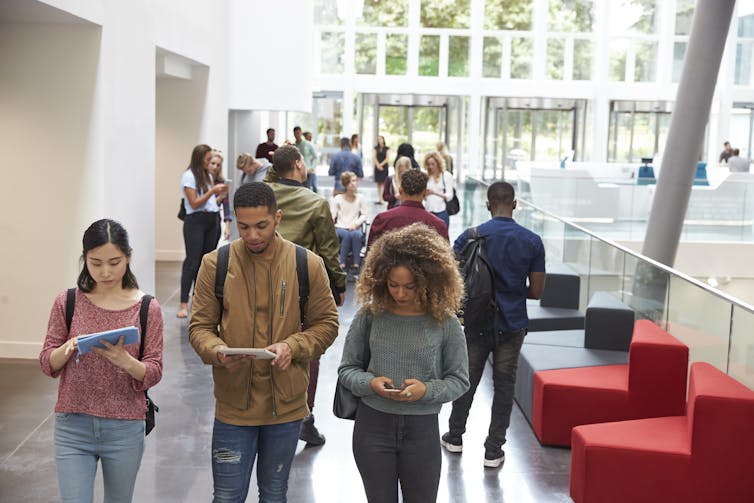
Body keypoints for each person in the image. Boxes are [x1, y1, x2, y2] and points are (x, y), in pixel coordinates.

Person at [189, 182, 339, 503]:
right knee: (227, 496)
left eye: (261, 226)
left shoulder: (307, 264)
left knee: (274, 495)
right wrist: (217, 351)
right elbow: (200, 327)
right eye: (243, 227)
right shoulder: (215, 264)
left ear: (278, 217)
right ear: (234, 220)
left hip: (284, 409)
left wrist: (293, 346)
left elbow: (326, 325)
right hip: (233, 407)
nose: (253, 235)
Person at [338, 223, 470, 503]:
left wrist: (427, 390)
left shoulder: (444, 322)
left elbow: (459, 380)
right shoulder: (369, 315)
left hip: (422, 431)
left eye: (410, 286)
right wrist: (370, 383)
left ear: (428, 280)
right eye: (393, 285)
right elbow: (347, 370)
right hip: (372, 427)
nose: (400, 293)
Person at [39, 219, 164, 503]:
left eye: (114, 262)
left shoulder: (147, 308)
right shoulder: (67, 301)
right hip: (73, 425)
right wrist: (69, 348)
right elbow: (47, 362)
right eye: (95, 263)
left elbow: (154, 369)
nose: (105, 272)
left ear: (128, 257)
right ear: (85, 260)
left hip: (125, 427)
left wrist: (125, 361)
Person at [441, 181, 546, 469]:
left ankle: (455, 436)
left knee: (467, 379)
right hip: (512, 324)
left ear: (488, 204)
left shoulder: (469, 237)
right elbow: (537, 291)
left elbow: (450, 279)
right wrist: (511, 290)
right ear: (514, 204)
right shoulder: (532, 241)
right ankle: (493, 449)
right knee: (504, 385)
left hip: (476, 322)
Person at [266, 144, 347, 446]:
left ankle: (268, 414)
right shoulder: (315, 202)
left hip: (259, 282)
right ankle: (303, 416)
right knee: (306, 350)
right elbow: (327, 250)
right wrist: (338, 285)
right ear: (299, 165)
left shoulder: (262, 194)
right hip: (301, 287)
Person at [178, 144, 228, 318]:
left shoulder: (206, 175)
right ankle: (183, 303)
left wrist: (220, 197)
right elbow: (194, 203)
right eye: (207, 159)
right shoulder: (189, 176)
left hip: (212, 220)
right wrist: (213, 190)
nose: (210, 163)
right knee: (192, 262)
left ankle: (198, 301)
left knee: (206, 263)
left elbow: (210, 203)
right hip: (195, 222)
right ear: (199, 159)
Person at [367, 169, 448, 251]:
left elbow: (369, 256)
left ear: (400, 190)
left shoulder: (382, 220)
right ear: (425, 193)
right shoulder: (438, 225)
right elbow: (446, 259)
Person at [331, 171, 367, 276]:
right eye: (351, 181)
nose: (354, 184)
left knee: (356, 235)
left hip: (354, 226)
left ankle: (356, 264)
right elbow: (333, 214)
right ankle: (342, 263)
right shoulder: (338, 199)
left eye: (355, 181)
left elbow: (364, 215)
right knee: (346, 235)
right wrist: (331, 219)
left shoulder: (360, 198)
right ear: (346, 184)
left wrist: (356, 224)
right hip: (340, 227)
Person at [423, 151, 455, 228]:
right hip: (428, 211)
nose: (430, 167)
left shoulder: (446, 176)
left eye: (433, 164)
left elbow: (449, 196)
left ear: (438, 163)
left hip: (442, 212)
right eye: (428, 164)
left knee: (442, 238)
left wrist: (434, 193)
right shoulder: (426, 176)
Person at [208, 150, 232, 242]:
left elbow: (226, 206)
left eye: (218, 165)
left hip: (215, 222)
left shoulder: (221, 183)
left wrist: (227, 227)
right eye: (213, 163)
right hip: (200, 221)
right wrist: (219, 198)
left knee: (210, 254)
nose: (215, 167)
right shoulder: (201, 182)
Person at [293, 126, 319, 193]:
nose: (297, 135)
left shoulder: (308, 144)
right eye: (295, 133)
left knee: (307, 190)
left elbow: (315, 157)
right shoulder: (293, 145)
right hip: (297, 172)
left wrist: (312, 167)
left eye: (298, 133)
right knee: (298, 191)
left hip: (307, 171)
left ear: (301, 133)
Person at [373, 135, 390, 204]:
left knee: (383, 183)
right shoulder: (375, 148)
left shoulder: (387, 148)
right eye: (378, 139)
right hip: (377, 167)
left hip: (384, 167)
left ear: (383, 140)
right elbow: (374, 157)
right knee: (378, 183)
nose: (379, 140)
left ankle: (382, 198)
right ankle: (379, 198)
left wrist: (380, 165)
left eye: (381, 139)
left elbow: (387, 159)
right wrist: (377, 165)